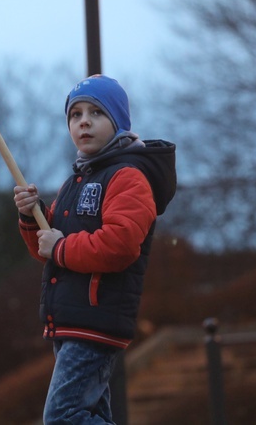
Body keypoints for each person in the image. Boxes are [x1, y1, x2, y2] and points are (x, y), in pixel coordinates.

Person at [13, 75, 176, 424]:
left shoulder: (128, 177)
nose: (83, 121)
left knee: (63, 416)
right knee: (90, 414)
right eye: (75, 115)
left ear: (118, 122)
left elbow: (120, 246)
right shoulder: (75, 181)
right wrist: (31, 215)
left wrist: (60, 247)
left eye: (97, 112)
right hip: (72, 320)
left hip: (96, 320)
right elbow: (46, 245)